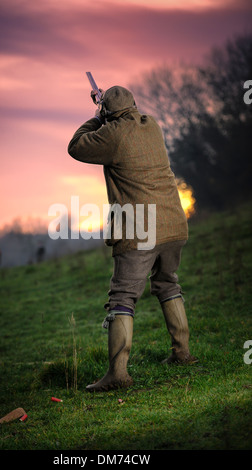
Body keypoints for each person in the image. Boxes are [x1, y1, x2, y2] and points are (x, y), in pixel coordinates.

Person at [68, 85, 197, 392]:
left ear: (108, 114)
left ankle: (118, 375)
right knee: (168, 283)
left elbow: (75, 146)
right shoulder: (151, 124)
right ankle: (182, 353)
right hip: (173, 222)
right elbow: (127, 118)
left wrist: (97, 117)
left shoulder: (111, 134)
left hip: (141, 229)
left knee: (122, 297)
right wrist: (108, 113)